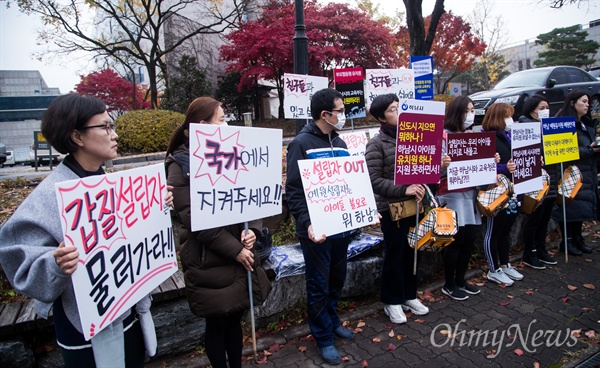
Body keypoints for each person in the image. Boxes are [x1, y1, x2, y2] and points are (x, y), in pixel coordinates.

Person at [0, 93, 172, 367]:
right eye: (105, 127)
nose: (114, 134)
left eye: (112, 125)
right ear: (77, 137)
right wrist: (55, 262)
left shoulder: (114, 184)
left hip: (128, 312)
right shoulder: (48, 196)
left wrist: (155, 208)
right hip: (85, 329)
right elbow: (17, 260)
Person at [165, 96, 270, 368]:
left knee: (235, 318)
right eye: (222, 120)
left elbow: (251, 196)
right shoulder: (181, 164)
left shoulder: (233, 151)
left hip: (239, 251)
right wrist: (236, 250)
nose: (227, 125)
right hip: (209, 259)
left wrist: (253, 232)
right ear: (203, 126)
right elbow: (195, 220)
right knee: (217, 323)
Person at [285, 88, 355, 365]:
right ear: (325, 114)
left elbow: (350, 185)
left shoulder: (339, 141)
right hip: (316, 231)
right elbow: (294, 191)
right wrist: (307, 223)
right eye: (339, 111)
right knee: (318, 284)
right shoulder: (301, 144)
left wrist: (361, 213)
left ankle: (333, 320)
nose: (343, 115)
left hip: (341, 226)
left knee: (337, 278)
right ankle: (323, 337)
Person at [365, 93, 440, 320]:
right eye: (392, 110)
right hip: (392, 210)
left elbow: (428, 174)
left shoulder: (416, 138)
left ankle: (409, 295)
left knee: (412, 252)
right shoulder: (376, 144)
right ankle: (391, 300)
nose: (398, 113)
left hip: (416, 206)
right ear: (381, 118)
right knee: (395, 254)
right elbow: (373, 180)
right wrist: (404, 188)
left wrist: (441, 166)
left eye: (399, 107)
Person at [437, 96, 483, 300]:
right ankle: (449, 283)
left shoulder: (472, 137)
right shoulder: (443, 137)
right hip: (452, 195)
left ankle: (461, 279)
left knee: (469, 239)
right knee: (456, 240)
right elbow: (431, 171)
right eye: (467, 110)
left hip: (471, 194)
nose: (471, 114)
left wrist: (491, 160)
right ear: (457, 112)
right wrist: (443, 166)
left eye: (473, 110)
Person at [552, 90, 599, 255]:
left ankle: (578, 238)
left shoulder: (586, 123)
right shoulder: (563, 123)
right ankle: (568, 241)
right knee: (570, 207)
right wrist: (590, 150)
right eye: (584, 101)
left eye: (588, 102)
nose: (587, 105)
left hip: (587, 171)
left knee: (581, 208)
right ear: (572, 103)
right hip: (570, 172)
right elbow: (565, 151)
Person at [481, 102, 521, 286]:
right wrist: (504, 167)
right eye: (506, 116)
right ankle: (493, 268)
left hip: (512, 191)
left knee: (506, 229)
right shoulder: (486, 138)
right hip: (495, 193)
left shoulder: (509, 136)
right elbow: (482, 165)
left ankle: (505, 264)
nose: (510, 120)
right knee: (493, 230)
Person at [518, 95, 559, 269]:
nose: (545, 111)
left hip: (551, 177)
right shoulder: (524, 127)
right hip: (535, 180)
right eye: (542, 108)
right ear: (532, 110)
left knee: (545, 218)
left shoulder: (550, 127)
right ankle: (530, 252)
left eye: (547, 107)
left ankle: (541, 248)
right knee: (534, 218)